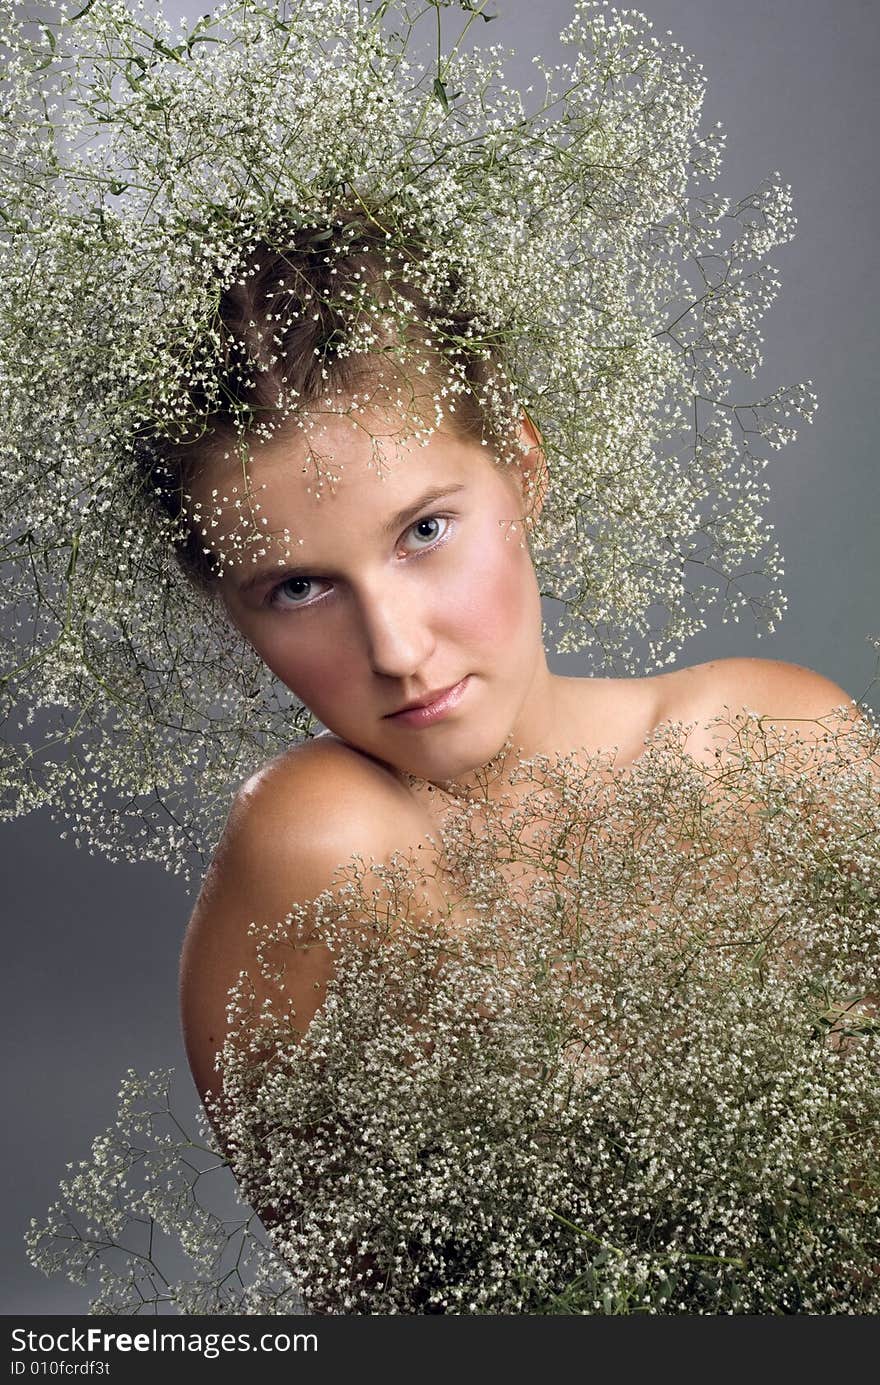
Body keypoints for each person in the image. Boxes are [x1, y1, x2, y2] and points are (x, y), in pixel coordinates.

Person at [163, 211, 862, 1113]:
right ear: (232, 614)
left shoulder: (772, 745)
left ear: (524, 468)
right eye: (298, 588)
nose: (398, 650)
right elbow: (346, 1254)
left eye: (424, 531)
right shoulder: (319, 852)